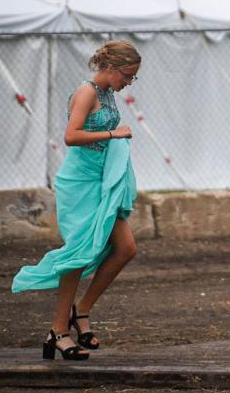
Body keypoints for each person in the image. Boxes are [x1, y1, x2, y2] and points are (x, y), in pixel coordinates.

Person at [12, 40, 141, 361]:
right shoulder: (86, 92)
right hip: (80, 181)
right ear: (111, 68)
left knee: (126, 249)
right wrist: (113, 134)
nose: (129, 82)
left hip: (102, 178)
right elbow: (71, 136)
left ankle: (80, 311)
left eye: (132, 77)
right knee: (79, 253)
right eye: (127, 74)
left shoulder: (108, 93)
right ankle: (59, 331)